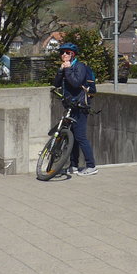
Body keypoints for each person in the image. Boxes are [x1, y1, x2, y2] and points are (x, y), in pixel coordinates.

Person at [53, 42, 98, 176]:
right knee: (70, 136)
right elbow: (56, 84)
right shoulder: (66, 67)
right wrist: (61, 70)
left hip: (80, 106)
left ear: (73, 54)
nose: (64, 55)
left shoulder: (80, 66)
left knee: (80, 137)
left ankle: (91, 166)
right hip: (70, 106)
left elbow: (76, 83)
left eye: (67, 52)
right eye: (62, 53)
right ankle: (73, 165)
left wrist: (67, 70)